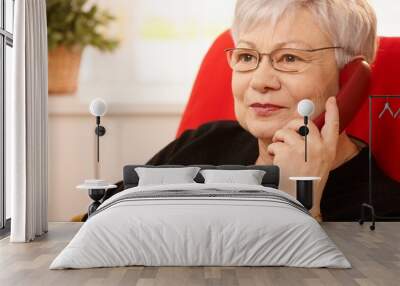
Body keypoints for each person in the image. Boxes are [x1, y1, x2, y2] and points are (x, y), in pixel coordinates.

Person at [81, 0, 400, 222]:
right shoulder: (204, 140)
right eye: (247, 57)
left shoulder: (382, 209)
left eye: (289, 58)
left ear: (349, 79)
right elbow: (96, 221)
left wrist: (299, 199)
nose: (260, 81)